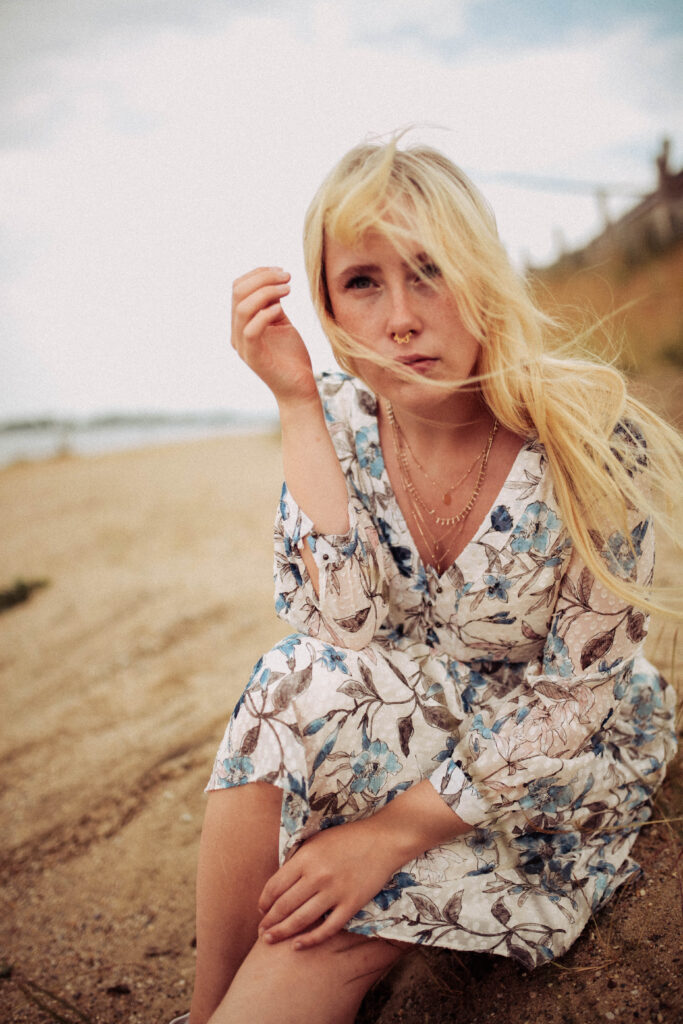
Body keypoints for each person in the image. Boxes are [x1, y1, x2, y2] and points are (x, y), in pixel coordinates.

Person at [174, 137, 681, 1024]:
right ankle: (201, 1004)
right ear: (329, 307)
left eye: (428, 271)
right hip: (403, 716)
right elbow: (338, 631)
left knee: (319, 930)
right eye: (361, 283)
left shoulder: (591, 440)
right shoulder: (337, 418)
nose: (400, 318)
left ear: (481, 275)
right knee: (287, 677)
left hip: (546, 756)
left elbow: (571, 700)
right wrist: (295, 404)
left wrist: (386, 835)